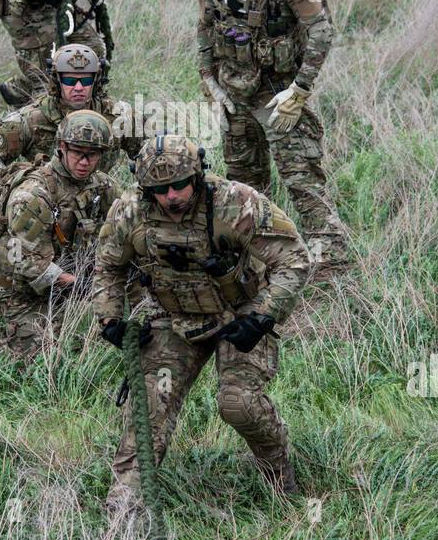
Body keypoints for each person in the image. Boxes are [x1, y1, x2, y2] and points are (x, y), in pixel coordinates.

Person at [94, 133, 311, 503]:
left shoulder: (234, 203)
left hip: (239, 313)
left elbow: (294, 259)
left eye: (180, 185)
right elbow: (108, 267)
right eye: (160, 189)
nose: (172, 196)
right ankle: (125, 501)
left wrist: (262, 317)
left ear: (196, 175)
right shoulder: (130, 212)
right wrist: (111, 319)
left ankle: (279, 478)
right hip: (174, 318)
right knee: (149, 404)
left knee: (238, 402)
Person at [193, 0, 350, 270]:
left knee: (303, 182)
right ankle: (259, 262)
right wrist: (208, 82)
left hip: (277, 96)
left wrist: (299, 90)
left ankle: (333, 266)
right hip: (234, 97)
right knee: (244, 189)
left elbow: (321, 29)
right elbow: (203, 29)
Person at [0, 111, 120, 359]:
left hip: (70, 271)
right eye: (79, 152)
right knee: (43, 353)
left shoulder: (102, 184)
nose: (85, 162)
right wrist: (83, 286)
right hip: (21, 285)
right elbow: (27, 262)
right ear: (63, 147)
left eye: (93, 154)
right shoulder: (33, 194)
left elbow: (125, 226)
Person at [0, 43, 140, 181]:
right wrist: (11, 185)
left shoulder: (117, 116)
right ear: (57, 80)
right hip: (46, 202)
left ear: (96, 80)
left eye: (86, 80)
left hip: (100, 198)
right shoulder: (32, 119)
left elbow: (152, 150)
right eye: (70, 80)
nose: (78, 87)